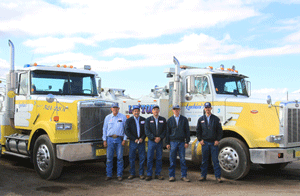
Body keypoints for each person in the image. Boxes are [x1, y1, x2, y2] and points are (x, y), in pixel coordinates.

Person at [196, 102, 223, 183]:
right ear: (204, 109)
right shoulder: (201, 119)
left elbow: (220, 131)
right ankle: (203, 176)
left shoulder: (216, 119)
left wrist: (217, 140)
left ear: (211, 108)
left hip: (213, 143)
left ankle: (218, 177)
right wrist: (200, 140)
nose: (207, 109)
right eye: (206, 108)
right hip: (205, 143)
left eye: (209, 108)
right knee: (204, 161)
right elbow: (198, 131)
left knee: (215, 161)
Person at [102, 102, 127, 181]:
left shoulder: (123, 117)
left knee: (120, 158)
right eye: (113, 108)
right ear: (111, 109)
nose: (115, 109)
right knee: (109, 158)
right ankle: (109, 175)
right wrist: (104, 140)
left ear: (119, 109)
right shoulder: (107, 117)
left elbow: (126, 129)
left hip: (119, 140)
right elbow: (104, 129)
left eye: (116, 108)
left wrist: (124, 139)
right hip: (109, 139)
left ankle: (119, 175)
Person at [166, 105, 190, 182]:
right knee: (172, 160)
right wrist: (167, 143)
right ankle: (172, 176)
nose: (176, 111)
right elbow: (167, 132)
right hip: (173, 142)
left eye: (177, 109)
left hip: (181, 142)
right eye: (175, 109)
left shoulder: (184, 119)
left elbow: (187, 131)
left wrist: (187, 141)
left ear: (180, 110)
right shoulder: (170, 120)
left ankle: (184, 176)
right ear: (172, 110)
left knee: (182, 160)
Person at [145, 105, 167, 181]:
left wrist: (160, 137)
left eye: (157, 109)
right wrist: (153, 138)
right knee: (150, 158)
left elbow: (165, 130)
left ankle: (158, 174)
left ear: (159, 111)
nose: (156, 111)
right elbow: (147, 131)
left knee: (159, 158)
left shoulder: (163, 120)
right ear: (152, 111)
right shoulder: (148, 120)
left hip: (159, 141)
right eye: (154, 110)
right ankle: (149, 174)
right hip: (151, 141)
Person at [125, 105, 146, 180]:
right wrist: (134, 139)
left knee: (142, 158)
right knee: (131, 158)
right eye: (135, 111)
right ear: (132, 112)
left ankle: (141, 174)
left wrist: (142, 138)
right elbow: (127, 131)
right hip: (133, 142)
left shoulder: (144, 120)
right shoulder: (129, 120)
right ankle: (132, 173)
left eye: (137, 111)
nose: (136, 112)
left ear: (139, 112)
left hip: (141, 142)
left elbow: (146, 131)